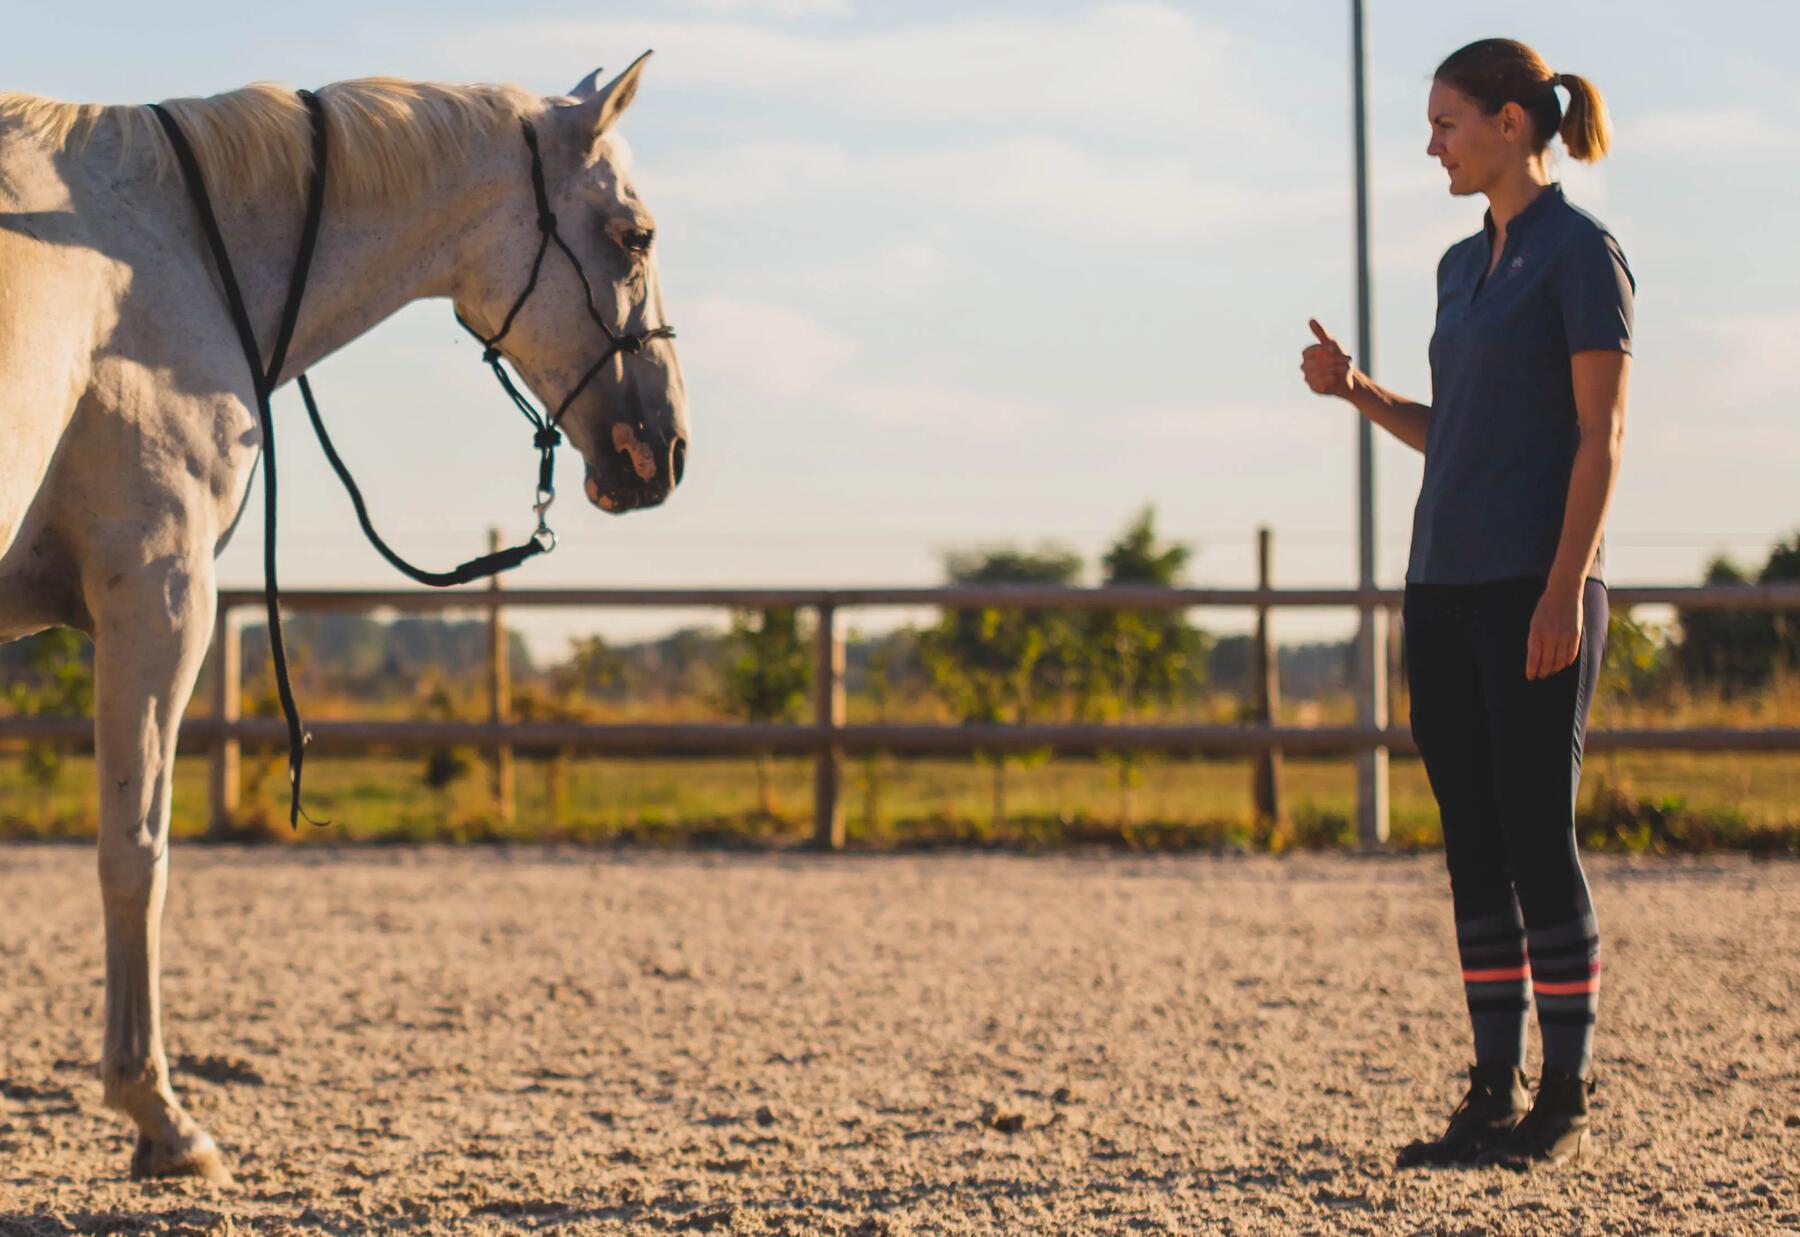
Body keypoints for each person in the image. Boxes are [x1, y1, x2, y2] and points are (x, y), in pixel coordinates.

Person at [1301, 37, 1634, 1170]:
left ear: (1507, 122)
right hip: (1440, 586)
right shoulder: (1459, 266)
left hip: (1534, 591)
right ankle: (1490, 1089)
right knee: (1473, 846)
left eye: (1446, 124)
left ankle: (1565, 1093)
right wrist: (1360, 392)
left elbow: (1602, 438)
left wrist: (1562, 588)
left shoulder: (1583, 254)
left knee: (1541, 840)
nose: (1431, 145)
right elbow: (1462, 436)